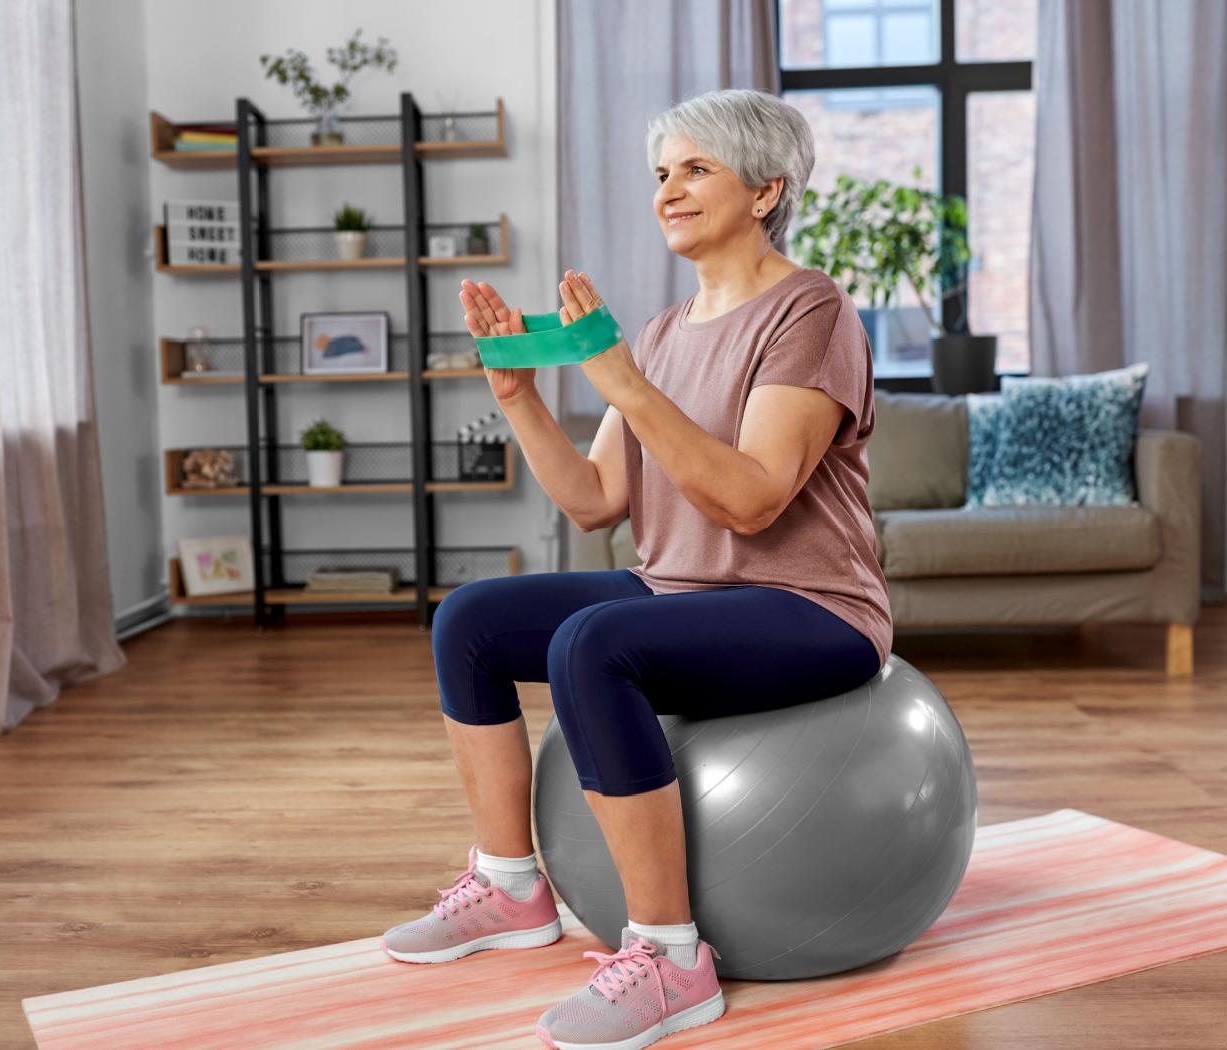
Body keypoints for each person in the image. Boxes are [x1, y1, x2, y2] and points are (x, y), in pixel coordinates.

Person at [381, 88, 891, 1050]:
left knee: (592, 644)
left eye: (696, 169)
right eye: (662, 173)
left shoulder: (811, 310)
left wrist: (617, 379)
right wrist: (521, 398)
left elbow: (752, 498)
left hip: (810, 607)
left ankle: (669, 957)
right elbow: (592, 500)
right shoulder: (658, 333)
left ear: (767, 188)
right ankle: (508, 885)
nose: (669, 190)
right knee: (471, 621)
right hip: (675, 588)